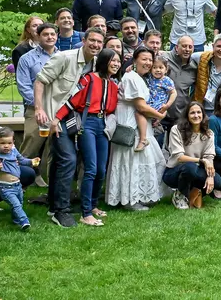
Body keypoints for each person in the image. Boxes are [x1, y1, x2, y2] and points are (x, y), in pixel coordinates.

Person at [34, 27, 104, 227]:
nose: (95, 45)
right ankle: (61, 211)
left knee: (59, 161)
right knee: (68, 159)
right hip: (57, 118)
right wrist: (39, 109)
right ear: (84, 40)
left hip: (76, 118)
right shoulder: (64, 58)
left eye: (99, 42)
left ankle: (54, 205)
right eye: (92, 40)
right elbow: (40, 81)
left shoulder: (96, 64)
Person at [52, 48, 120, 226]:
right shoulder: (88, 79)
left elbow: (111, 108)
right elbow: (72, 100)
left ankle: (93, 205)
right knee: (90, 168)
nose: (116, 64)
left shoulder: (113, 85)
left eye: (118, 61)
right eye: (113, 60)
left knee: (101, 169)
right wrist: (57, 118)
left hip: (103, 125)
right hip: (87, 123)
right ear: (104, 61)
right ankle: (86, 213)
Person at [106, 48, 167, 211]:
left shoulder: (139, 78)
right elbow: (140, 106)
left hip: (140, 121)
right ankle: (129, 200)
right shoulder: (131, 77)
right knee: (130, 159)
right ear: (135, 60)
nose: (148, 63)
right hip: (130, 121)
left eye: (150, 60)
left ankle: (142, 194)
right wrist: (160, 116)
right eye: (144, 59)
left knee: (144, 158)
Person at [16, 22, 57, 186]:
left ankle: (53, 187)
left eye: (53, 34)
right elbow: (24, 86)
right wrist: (40, 104)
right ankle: (15, 183)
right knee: (30, 147)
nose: (50, 37)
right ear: (38, 37)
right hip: (35, 110)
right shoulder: (27, 59)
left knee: (55, 149)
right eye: (45, 34)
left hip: (57, 110)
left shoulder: (63, 57)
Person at [164, 102, 221, 209]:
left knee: (217, 181)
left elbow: (209, 157)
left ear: (203, 115)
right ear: (187, 115)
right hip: (173, 171)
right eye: (192, 113)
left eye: (199, 112)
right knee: (190, 167)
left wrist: (210, 176)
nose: (196, 115)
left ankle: (193, 192)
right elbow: (179, 157)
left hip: (195, 169)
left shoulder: (209, 133)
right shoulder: (176, 130)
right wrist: (201, 160)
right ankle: (180, 195)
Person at [0, 128, 38, 230]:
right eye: (2, 143)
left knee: (19, 203)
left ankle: (15, 220)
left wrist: (32, 161)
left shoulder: (14, 152)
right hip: (5, 187)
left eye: (9, 143)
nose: (6, 146)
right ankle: (24, 221)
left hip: (18, 185)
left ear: (13, 142)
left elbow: (22, 160)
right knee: (16, 205)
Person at [189, 34, 221, 116]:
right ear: (213, 46)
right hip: (198, 109)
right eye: (219, 46)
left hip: (218, 111)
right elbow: (186, 57)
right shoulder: (201, 57)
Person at [134, 55, 175, 151]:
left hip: (158, 106)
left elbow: (173, 93)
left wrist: (168, 105)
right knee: (145, 119)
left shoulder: (167, 80)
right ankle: (145, 138)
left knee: (139, 114)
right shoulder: (149, 77)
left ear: (166, 69)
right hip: (149, 104)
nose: (158, 70)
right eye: (155, 67)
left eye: (161, 67)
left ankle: (143, 140)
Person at [162, 36, 197, 144]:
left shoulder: (194, 67)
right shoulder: (164, 58)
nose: (187, 49)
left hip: (179, 115)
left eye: (190, 47)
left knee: (176, 147)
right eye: (184, 46)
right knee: (156, 147)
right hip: (160, 112)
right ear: (177, 47)